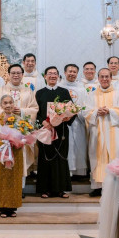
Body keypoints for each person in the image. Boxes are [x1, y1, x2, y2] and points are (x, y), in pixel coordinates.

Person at [0, 64, 39, 186]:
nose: (16, 75)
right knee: (6, 156)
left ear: (22, 75)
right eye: (13, 73)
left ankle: (19, 188)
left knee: (21, 158)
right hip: (5, 132)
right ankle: (6, 187)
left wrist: (21, 111)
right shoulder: (1, 91)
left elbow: (34, 108)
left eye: (18, 73)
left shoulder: (28, 91)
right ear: (8, 75)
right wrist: (7, 112)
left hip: (22, 131)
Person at [85, 68, 119, 196]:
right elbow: (85, 112)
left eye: (107, 77)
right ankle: (98, 187)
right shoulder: (92, 95)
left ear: (111, 78)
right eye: (102, 77)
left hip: (114, 130)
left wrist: (110, 111)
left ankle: (115, 187)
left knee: (115, 156)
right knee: (97, 158)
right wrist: (96, 112)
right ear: (98, 78)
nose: (104, 79)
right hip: (97, 130)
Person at [35, 66, 75, 198]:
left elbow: (72, 109)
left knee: (60, 159)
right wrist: (43, 122)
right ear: (45, 76)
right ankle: (45, 189)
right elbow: (36, 112)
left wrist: (68, 117)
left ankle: (60, 189)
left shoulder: (64, 92)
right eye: (50, 73)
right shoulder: (39, 93)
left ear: (58, 76)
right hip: (46, 130)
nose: (52, 76)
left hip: (61, 130)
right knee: (45, 158)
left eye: (55, 73)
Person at [0, 95, 24, 218]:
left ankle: (13, 208)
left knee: (13, 181)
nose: (8, 105)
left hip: (15, 154)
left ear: (14, 104)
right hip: (1, 155)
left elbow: (24, 137)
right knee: (1, 181)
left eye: (10, 102)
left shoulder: (19, 120)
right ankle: (2, 207)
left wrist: (20, 142)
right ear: (1, 105)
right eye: (5, 103)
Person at [59, 64, 89, 177]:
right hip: (63, 122)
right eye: (70, 71)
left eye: (74, 72)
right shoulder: (59, 87)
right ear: (65, 72)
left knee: (79, 145)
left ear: (77, 73)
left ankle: (79, 172)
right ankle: (67, 172)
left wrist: (77, 112)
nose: (72, 74)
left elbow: (86, 105)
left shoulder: (82, 89)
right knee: (67, 146)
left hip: (78, 121)